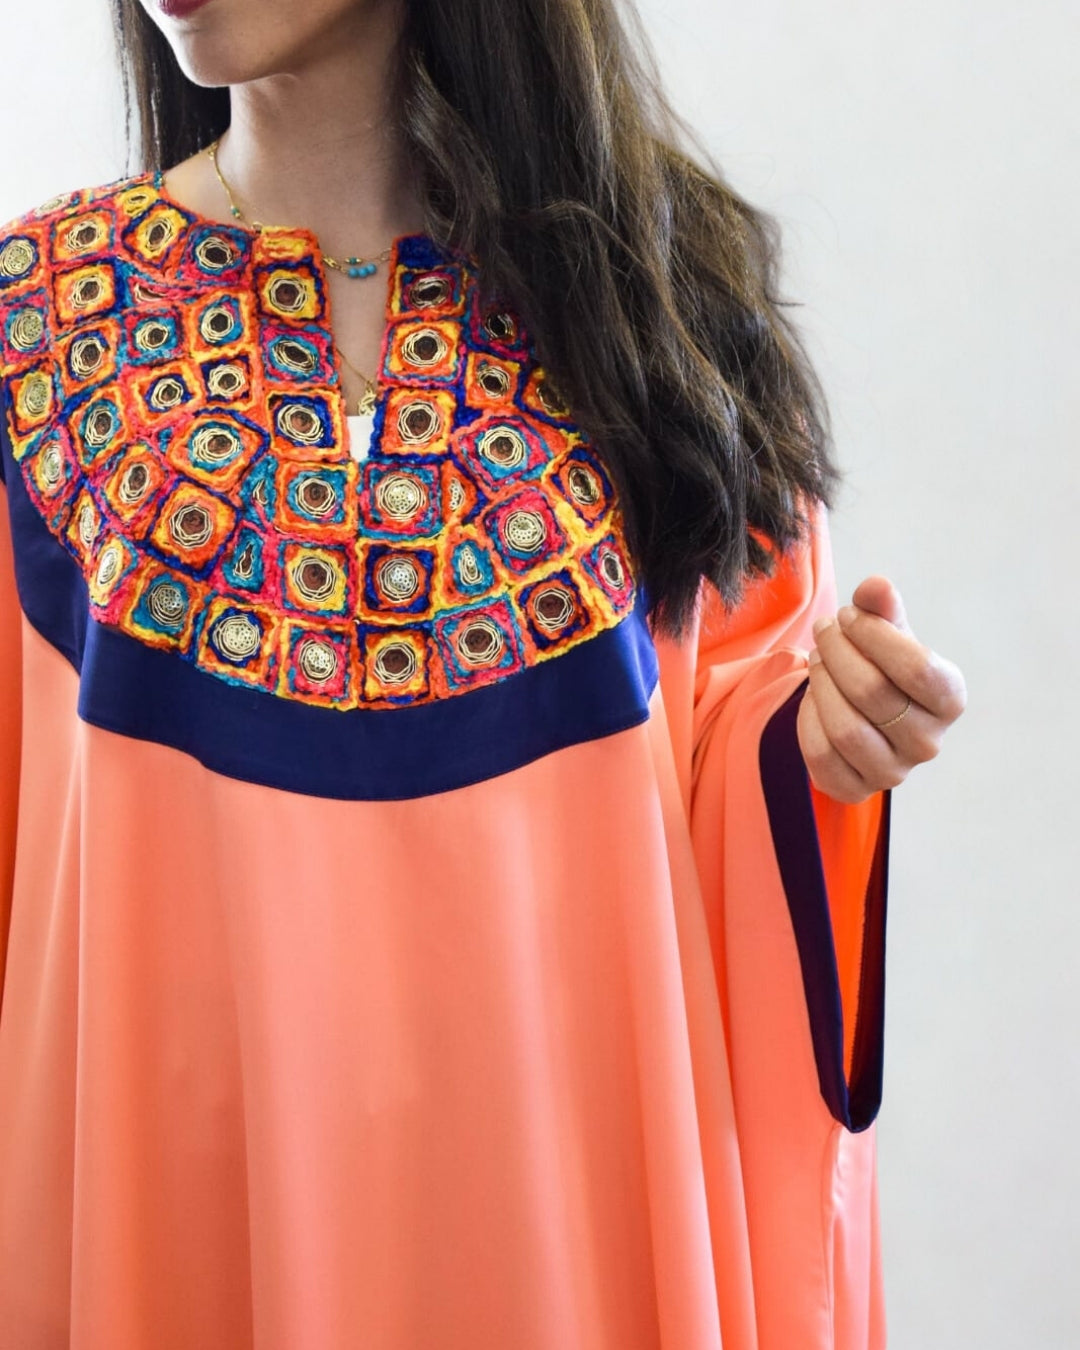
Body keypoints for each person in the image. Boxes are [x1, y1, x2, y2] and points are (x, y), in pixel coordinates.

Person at [0, 0, 966, 1346]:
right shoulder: (38, 330)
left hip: (555, 1231)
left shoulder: (672, 332)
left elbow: (717, 785)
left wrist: (815, 747)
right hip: (166, 1216)